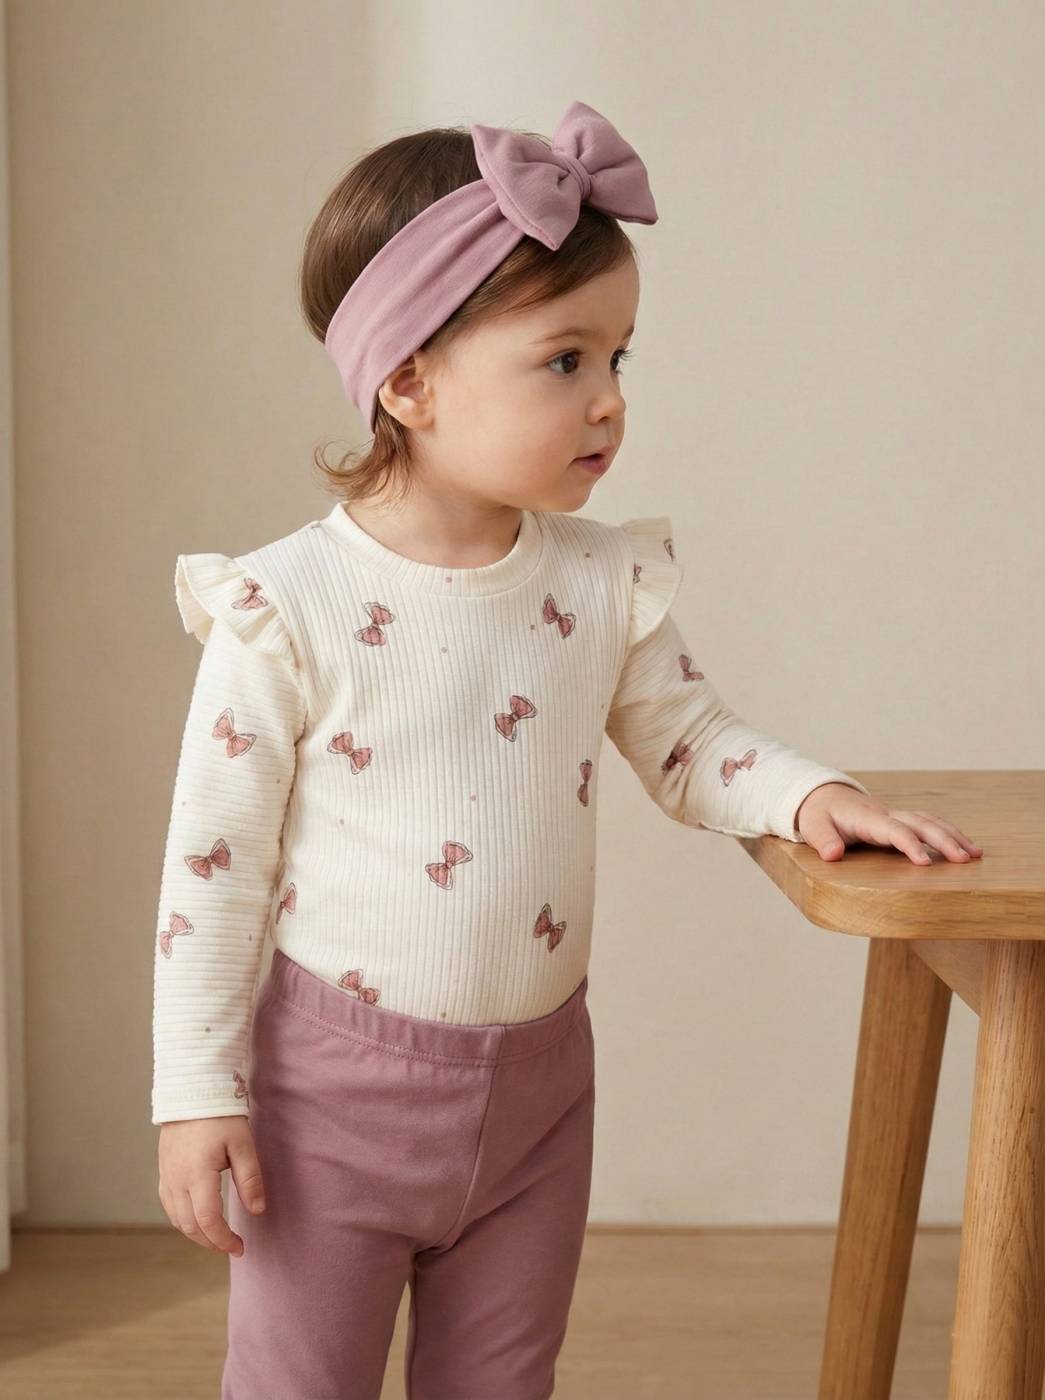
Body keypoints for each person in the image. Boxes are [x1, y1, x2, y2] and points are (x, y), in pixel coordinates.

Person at [152, 100, 983, 1400]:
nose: (609, 401)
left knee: (504, 1381)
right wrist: (198, 1093)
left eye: (618, 358)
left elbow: (689, 741)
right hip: (331, 1107)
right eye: (563, 361)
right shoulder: (286, 610)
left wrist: (807, 793)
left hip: (539, 1101)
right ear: (408, 382)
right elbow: (213, 872)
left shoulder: (597, 581)